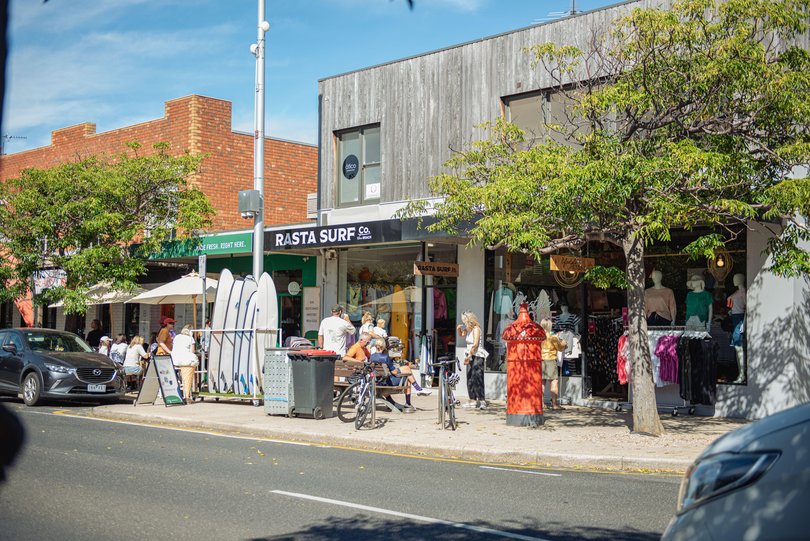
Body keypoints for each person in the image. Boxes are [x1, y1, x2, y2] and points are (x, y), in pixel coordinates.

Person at [369, 338, 430, 412]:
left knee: (407, 370)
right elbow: (394, 372)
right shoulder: (385, 357)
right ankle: (411, 399)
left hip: (378, 382)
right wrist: (401, 372)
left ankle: (393, 402)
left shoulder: (371, 357)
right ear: (384, 346)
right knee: (408, 376)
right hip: (387, 383)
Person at [457, 311, 487, 409]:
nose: (464, 322)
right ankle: (472, 400)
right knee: (469, 378)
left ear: (469, 320)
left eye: (464, 320)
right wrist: (458, 329)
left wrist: (469, 356)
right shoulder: (468, 329)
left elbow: (476, 344)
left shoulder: (476, 329)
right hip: (469, 355)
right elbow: (461, 334)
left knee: (477, 377)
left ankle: (482, 400)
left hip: (477, 355)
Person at [540, 318, 567, 410]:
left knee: (542, 383)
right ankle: (555, 404)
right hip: (551, 360)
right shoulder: (553, 338)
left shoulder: (539, 338)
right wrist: (563, 342)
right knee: (554, 382)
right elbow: (560, 348)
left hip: (540, 361)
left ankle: (541, 403)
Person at [171, 325, 199, 401]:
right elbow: (192, 352)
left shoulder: (176, 337)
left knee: (180, 376)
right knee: (189, 376)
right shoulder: (190, 338)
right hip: (185, 361)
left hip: (174, 361)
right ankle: (187, 396)